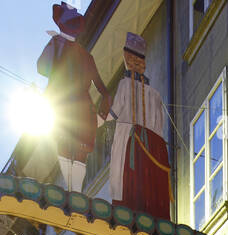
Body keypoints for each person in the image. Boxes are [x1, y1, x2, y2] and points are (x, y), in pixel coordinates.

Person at [38, 4, 111, 193]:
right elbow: (102, 88)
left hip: (67, 105)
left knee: (70, 149)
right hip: (73, 106)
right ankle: (74, 191)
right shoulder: (78, 53)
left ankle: (74, 191)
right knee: (73, 150)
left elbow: (41, 67)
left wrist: (55, 44)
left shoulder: (65, 47)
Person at [108, 32, 171, 219]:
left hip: (133, 142)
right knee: (149, 189)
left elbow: (113, 113)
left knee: (132, 188)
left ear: (127, 60)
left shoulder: (125, 85)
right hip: (155, 146)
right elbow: (160, 125)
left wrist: (93, 121)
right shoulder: (155, 94)